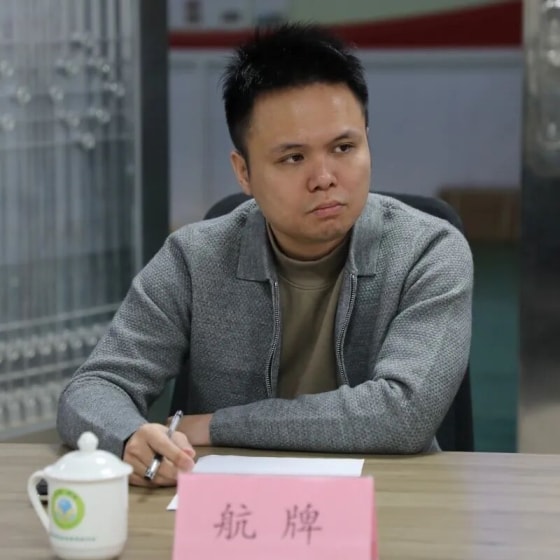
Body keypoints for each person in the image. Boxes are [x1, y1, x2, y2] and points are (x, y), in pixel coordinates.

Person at [57, 23, 473, 487]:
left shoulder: (428, 251)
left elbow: (404, 414)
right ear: (244, 172)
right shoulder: (194, 259)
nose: (324, 177)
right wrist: (129, 436)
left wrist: (213, 426)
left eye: (344, 147)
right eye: (293, 158)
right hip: (230, 505)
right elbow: (93, 388)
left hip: (393, 501)